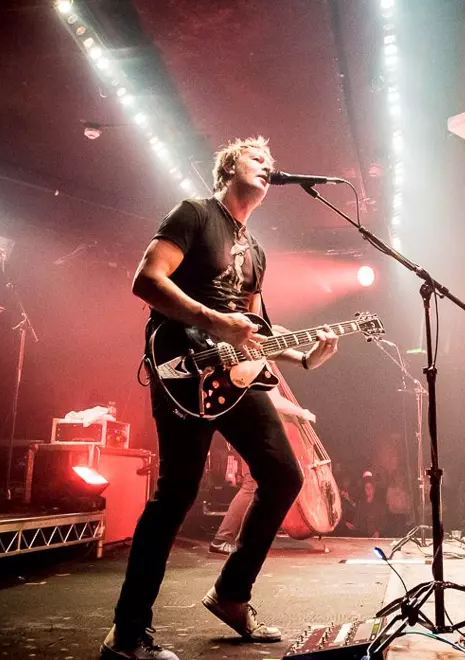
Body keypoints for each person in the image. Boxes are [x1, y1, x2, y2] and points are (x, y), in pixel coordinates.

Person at [102, 137, 340, 660]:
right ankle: (126, 632)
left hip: (235, 377)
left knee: (283, 475)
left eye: (272, 162)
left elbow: (253, 333)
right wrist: (212, 321)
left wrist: (302, 358)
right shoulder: (194, 214)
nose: (270, 166)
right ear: (230, 167)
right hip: (182, 365)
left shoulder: (255, 250)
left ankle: (232, 595)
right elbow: (146, 280)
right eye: (258, 158)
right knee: (176, 495)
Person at [209, 385, 317, 555]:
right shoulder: (257, 365)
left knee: (257, 484)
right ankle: (223, 538)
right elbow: (274, 400)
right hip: (252, 430)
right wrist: (301, 412)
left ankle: (236, 537)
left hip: (246, 428)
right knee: (252, 485)